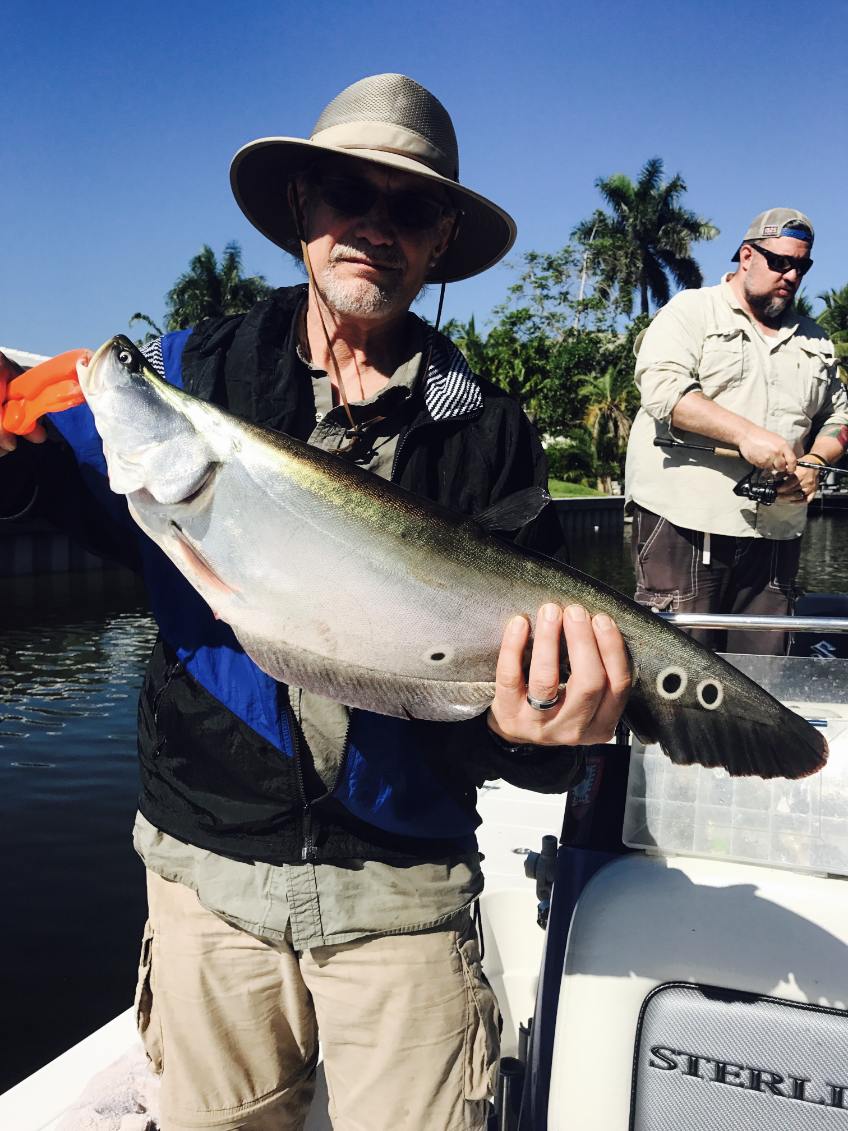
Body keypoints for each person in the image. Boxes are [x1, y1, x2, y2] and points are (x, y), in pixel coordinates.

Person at [0, 74, 630, 1130]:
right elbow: (48, 484)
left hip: (403, 890)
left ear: (439, 243)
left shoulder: (486, 431)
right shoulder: (187, 377)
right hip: (206, 873)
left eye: (411, 209)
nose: (373, 228)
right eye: (347, 193)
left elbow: (510, 705)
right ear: (300, 209)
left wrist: (541, 742)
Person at [625, 207, 848, 655]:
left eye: (801, 265)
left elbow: (840, 417)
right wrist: (748, 435)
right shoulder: (690, 312)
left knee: (762, 677)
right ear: (747, 256)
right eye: (779, 261)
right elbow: (663, 389)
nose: (791, 274)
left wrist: (816, 462)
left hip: (776, 533)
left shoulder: (816, 340)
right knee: (677, 668)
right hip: (685, 522)